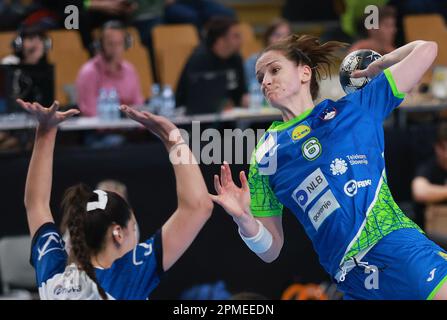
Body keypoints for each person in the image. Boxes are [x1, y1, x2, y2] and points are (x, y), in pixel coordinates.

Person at [210, 34, 447, 299]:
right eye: (260, 77)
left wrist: (381, 65)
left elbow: (428, 49)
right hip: (351, 276)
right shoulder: (265, 155)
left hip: (395, 246)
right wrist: (243, 220)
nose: (265, 81)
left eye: (275, 70)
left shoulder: (356, 107)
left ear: (304, 73)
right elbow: (271, 249)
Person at [19, 98, 213, 299]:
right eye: (132, 225)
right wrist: (173, 138)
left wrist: (45, 132)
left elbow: (36, 204)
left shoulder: (53, 277)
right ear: (118, 233)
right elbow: (198, 205)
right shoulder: (126, 277)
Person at [175, 16, 249, 112]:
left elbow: (241, 93)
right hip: (198, 120)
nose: (241, 40)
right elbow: (192, 98)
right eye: (236, 36)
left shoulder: (236, 58)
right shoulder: (199, 60)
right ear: (220, 40)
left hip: (231, 116)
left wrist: (245, 99)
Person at [75, 20, 144, 117]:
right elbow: (90, 112)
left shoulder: (130, 70)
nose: (115, 48)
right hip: (101, 130)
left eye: (119, 43)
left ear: (126, 44)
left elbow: (139, 105)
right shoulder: (89, 72)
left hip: (131, 128)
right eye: (110, 43)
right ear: (101, 45)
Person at [412, 122, 447, 229]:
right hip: (433, 233)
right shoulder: (428, 167)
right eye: (444, 148)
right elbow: (419, 192)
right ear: (437, 147)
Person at [244, 18, 291, 98]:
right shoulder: (253, 61)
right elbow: (251, 90)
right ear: (267, 37)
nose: (282, 40)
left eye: (286, 36)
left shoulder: (294, 62)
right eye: (277, 35)